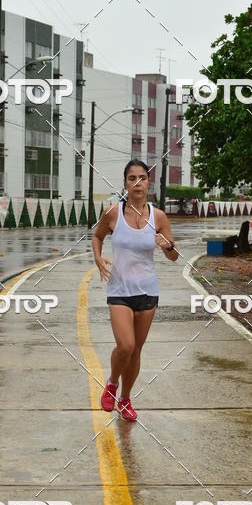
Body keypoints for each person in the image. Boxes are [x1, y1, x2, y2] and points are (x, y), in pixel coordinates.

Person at [92, 159, 179, 421]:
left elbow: (173, 256)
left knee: (137, 351)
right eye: (132, 178)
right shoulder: (112, 214)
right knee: (126, 345)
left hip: (147, 292)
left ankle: (126, 399)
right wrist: (98, 258)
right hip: (119, 289)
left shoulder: (159, 217)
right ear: (125, 183)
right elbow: (97, 237)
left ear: (148, 183)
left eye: (142, 178)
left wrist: (167, 244)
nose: (138, 183)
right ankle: (112, 383)